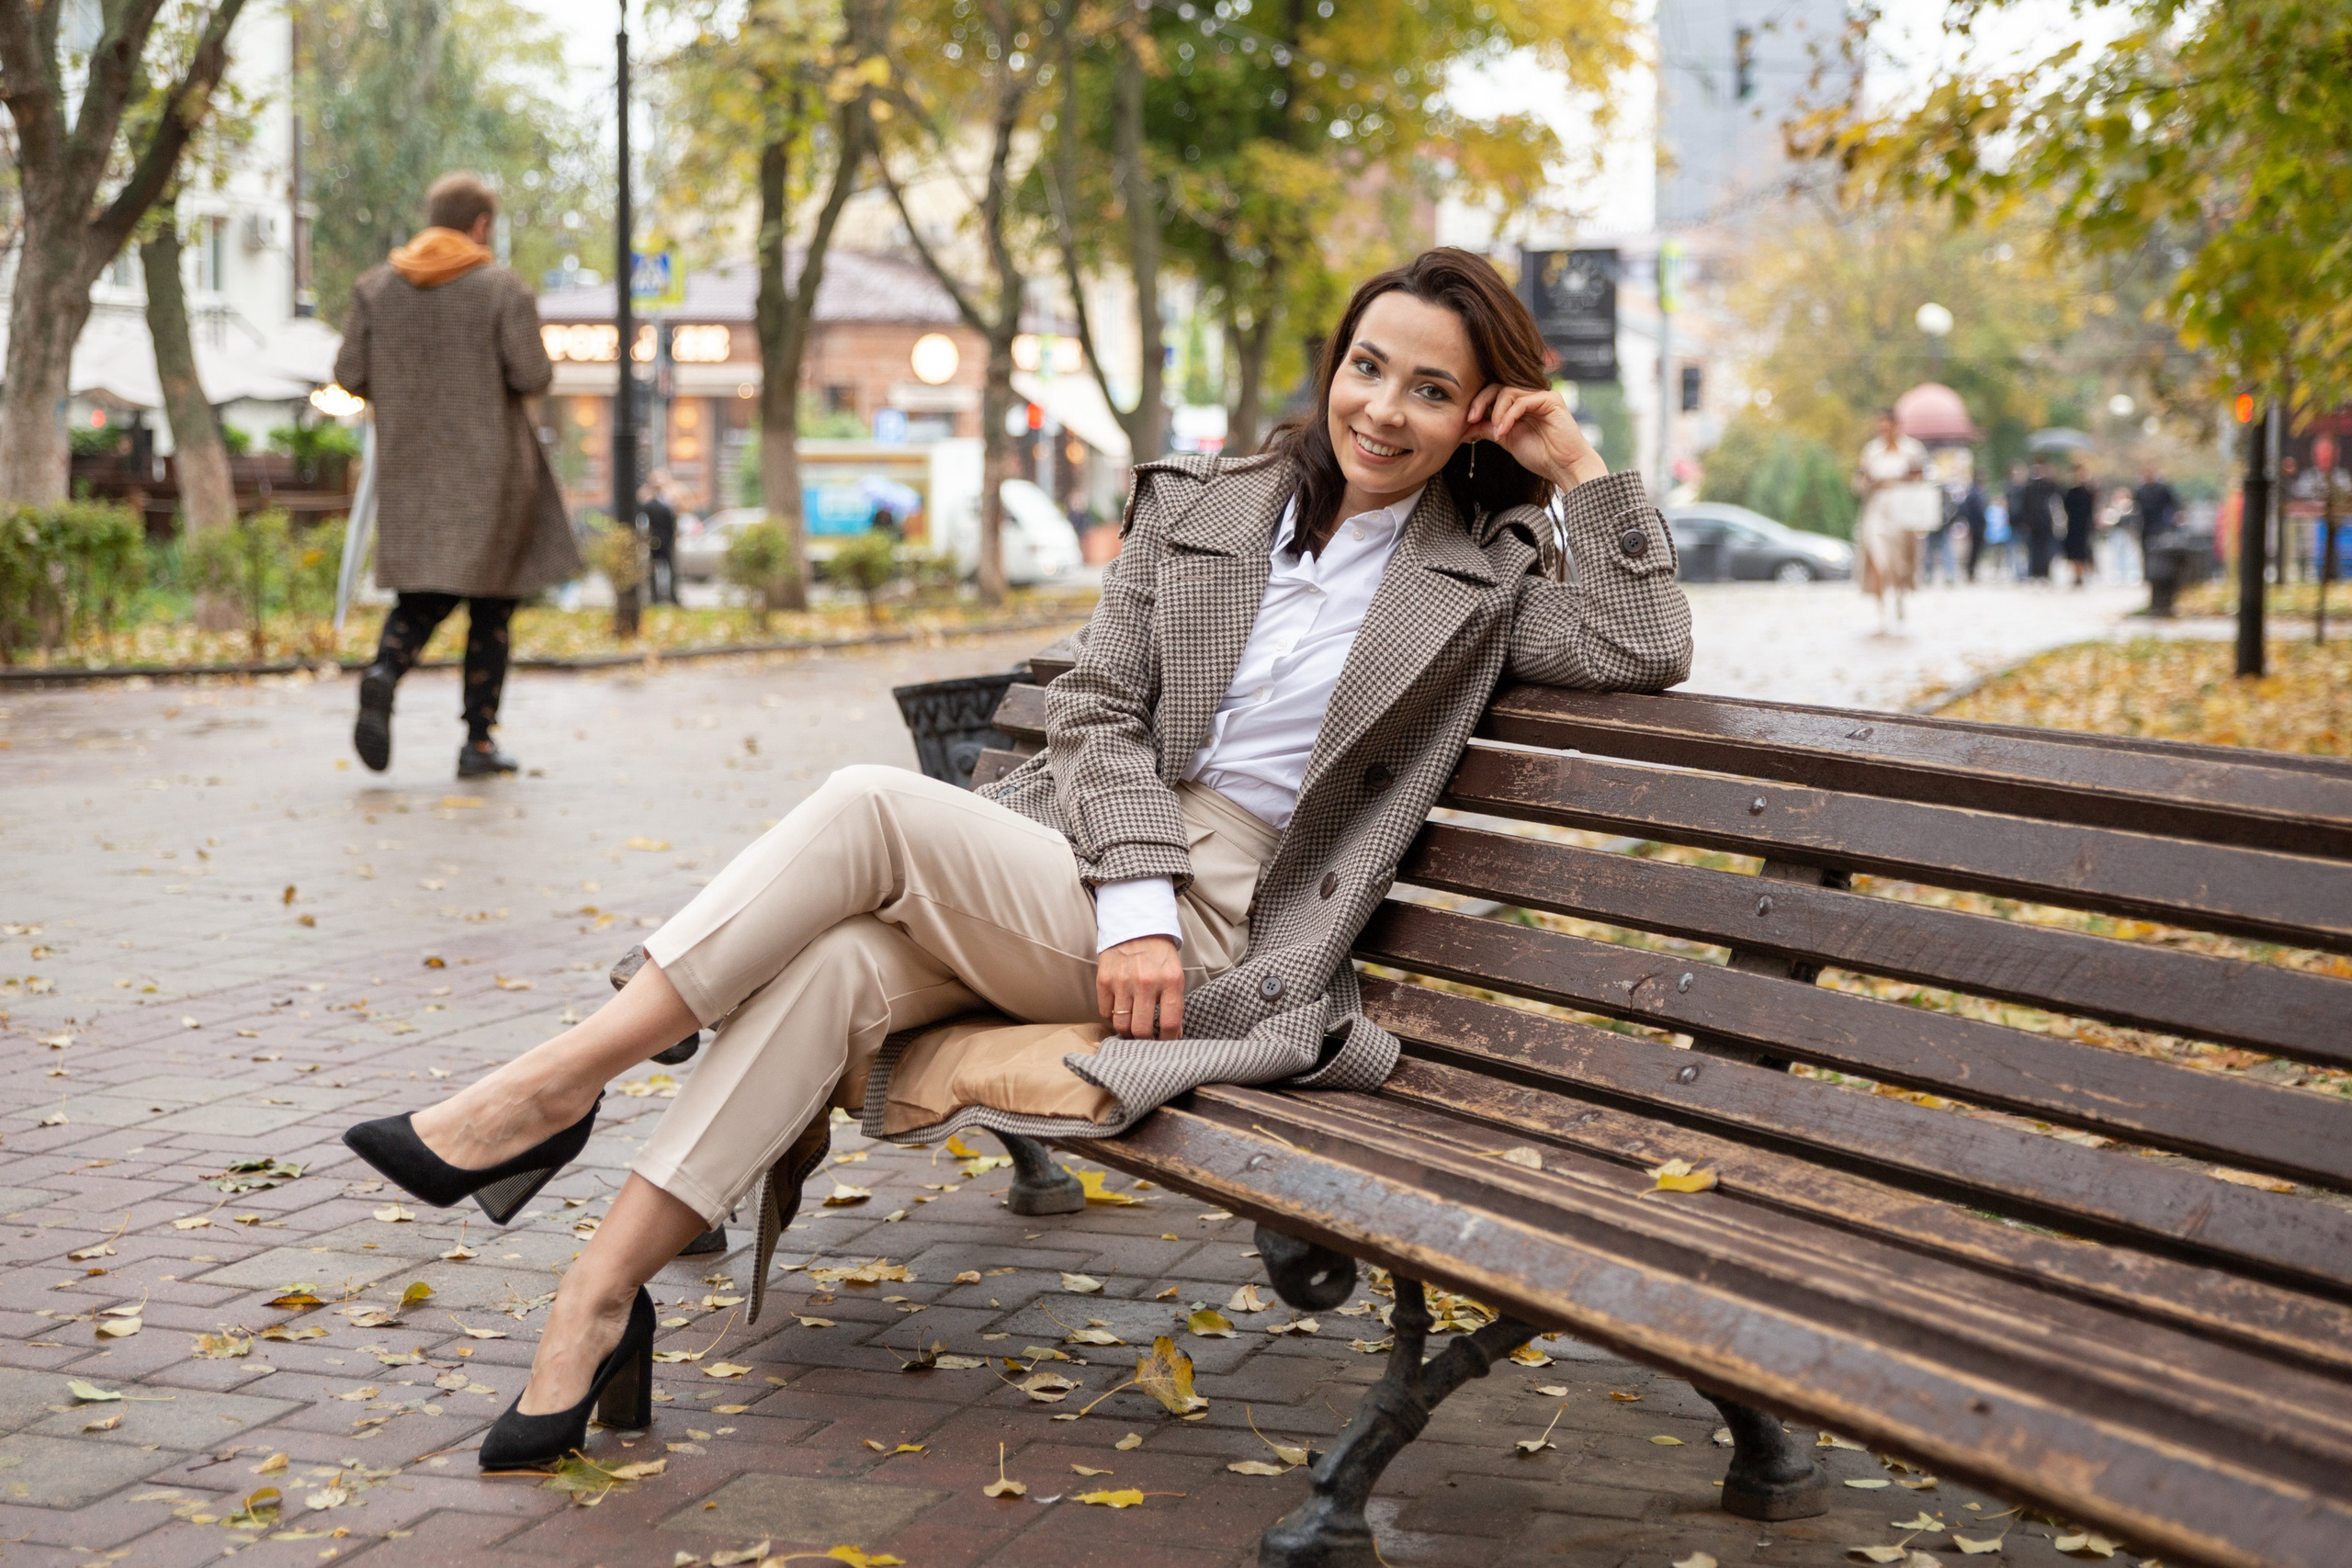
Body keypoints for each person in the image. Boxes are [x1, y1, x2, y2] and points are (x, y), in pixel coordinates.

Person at [338, 248, 1692, 1471]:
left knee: (871, 805)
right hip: (1099, 856)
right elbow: (1101, 705)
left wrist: (1582, 472)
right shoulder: (1212, 504)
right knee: (839, 965)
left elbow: (1646, 647)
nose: (1382, 408)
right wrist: (1132, 894)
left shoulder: (1487, 570)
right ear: (1334, 365)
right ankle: (598, 1289)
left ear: (1478, 413)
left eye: (1431, 387)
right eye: (1368, 365)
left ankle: (557, 1081)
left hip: (1240, 916)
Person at [340, 173, 579, 778]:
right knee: (492, 607)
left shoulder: (374, 289)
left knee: (422, 595)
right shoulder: (502, 289)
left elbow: (347, 372)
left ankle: (384, 671)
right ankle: (477, 742)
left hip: (411, 469)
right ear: (481, 225)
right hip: (493, 472)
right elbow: (532, 375)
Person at [1853, 409, 1928, 632]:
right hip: (1876, 510)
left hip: (1902, 510)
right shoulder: (1871, 451)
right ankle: (1881, 608)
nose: (1884, 431)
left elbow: (1922, 480)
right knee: (1878, 558)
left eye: (1888, 426)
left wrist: (1909, 479)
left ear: (1897, 425)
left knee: (1900, 562)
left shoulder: (1913, 450)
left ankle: (1899, 596)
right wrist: (1869, 480)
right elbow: (1859, 484)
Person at [2018, 458, 2063, 581]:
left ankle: (2043, 573)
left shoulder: (2047, 485)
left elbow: (2057, 491)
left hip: (2045, 523)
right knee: (2034, 550)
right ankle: (2035, 573)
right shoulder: (2029, 486)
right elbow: (2025, 506)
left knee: (2045, 550)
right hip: (2034, 524)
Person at [640, 472, 680, 605]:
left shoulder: (650, 504)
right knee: (668, 570)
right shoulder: (666, 504)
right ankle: (670, 597)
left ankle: (656, 597)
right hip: (664, 541)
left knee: (655, 571)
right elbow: (672, 524)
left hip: (656, 541)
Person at [2061, 459, 2097, 587]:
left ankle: (2083, 574)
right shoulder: (2071, 491)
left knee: (2084, 550)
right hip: (2073, 525)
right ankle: (2077, 575)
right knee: (2074, 551)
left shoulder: (2089, 490)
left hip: (2085, 525)